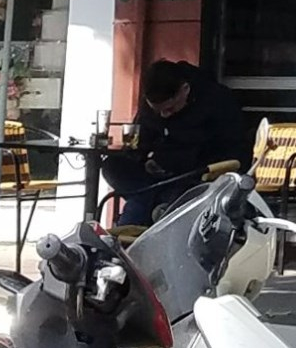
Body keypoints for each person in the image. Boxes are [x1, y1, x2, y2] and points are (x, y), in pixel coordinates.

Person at [102, 58, 255, 226]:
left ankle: (139, 219)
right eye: (157, 111)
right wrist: (143, 158)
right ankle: (154, 206)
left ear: (185, 90)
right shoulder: (156, 101)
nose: (164, 115)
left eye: (170, 109)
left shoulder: (218, 102)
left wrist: (175, 162)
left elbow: (231, 149)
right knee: (112, 167)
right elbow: (144, 138)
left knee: (145, 199)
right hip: (158, 174)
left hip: (197, 175)